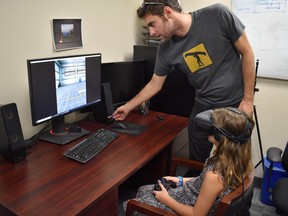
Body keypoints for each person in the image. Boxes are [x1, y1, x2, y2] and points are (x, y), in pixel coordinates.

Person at [112, 1, 255, 168]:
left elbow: (247, 53)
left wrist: (247, 100)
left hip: (234, 104)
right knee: (195, 162)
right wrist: (128, 106)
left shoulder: (218, 14)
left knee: (234, 164)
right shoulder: (165, 48)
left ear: (167, 12)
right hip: (203, 105)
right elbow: (154, 84)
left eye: (152, 24)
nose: (151, 32)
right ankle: (196, 189)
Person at [123, 107, 255, 215]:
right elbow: (205, 183)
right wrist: (181, 180)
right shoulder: (238, 162)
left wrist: (166, 200)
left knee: (132, 205)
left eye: (212, 126)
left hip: (190, 206)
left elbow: (196, 214)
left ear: (219, 136)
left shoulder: (215, 176)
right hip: (194, 195)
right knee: (144, 190)